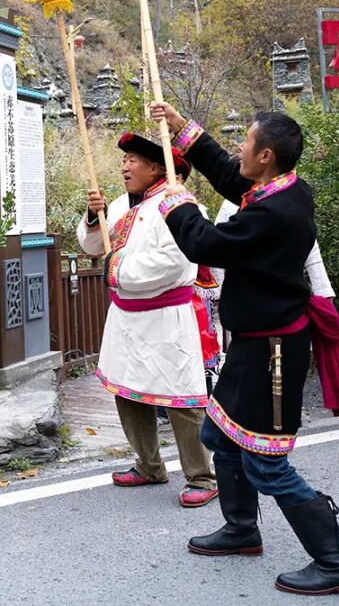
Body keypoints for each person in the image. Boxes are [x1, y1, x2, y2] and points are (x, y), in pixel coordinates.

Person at [150, 101, 339, 597]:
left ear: (266, 155)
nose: (239, 149)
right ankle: (241, 529)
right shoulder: (284, 189)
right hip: (253, 344)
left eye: (246, 143)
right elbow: (232, 177)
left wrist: (176, 203)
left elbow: (207, 244)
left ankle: (335, 563)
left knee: (267, 462)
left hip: (274, 352)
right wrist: (183, 130)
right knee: (220, 435)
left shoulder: (275, 214)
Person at [79, 132, 218, 508]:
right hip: (125, 318)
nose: (124, 167)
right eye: (123, 160)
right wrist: (92, 217)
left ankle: (201, 476)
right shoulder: (120, 205)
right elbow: (94, 247)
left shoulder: (179, 205)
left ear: (156, 167)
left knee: (181, 398)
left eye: (132, 161)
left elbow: (175, 261)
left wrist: (117, 268)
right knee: (128, 390)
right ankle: (149, 464)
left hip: (166, 317)